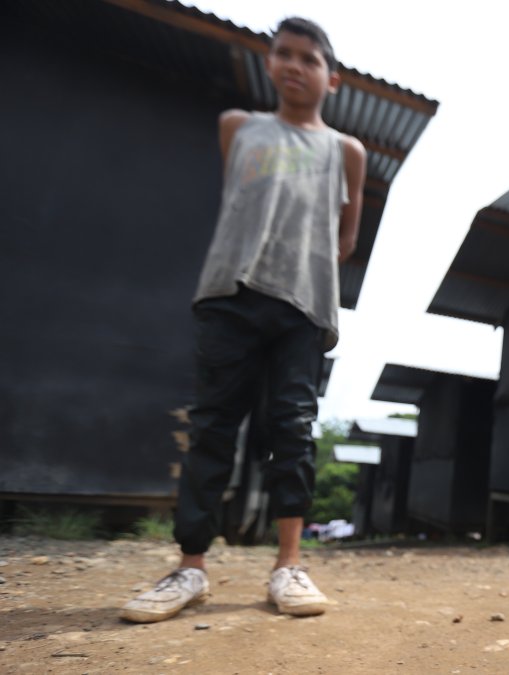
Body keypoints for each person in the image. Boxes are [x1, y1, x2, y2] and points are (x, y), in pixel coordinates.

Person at [120, 16, 366, 623]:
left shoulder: (345, 152)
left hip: (303, 304)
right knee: (212, 427)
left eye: (309, 58)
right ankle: (190, 568)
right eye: (283, 53)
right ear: (268, 63)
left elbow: (345, 240)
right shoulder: (239, 127)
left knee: (293, 428)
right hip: (230, 293)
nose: (294, 65)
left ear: (332, 79)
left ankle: (289, 565)